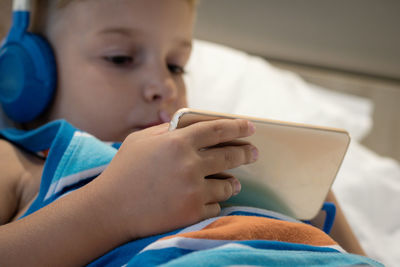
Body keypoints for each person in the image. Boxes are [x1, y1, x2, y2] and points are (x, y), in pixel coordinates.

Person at [0, 0, 379, 266]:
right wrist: (110, 209)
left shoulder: (218, 165)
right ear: (26, 75)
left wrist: (307, 195)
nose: (162, 85)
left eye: (176, 66)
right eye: (120, 58)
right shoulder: (23, 164)